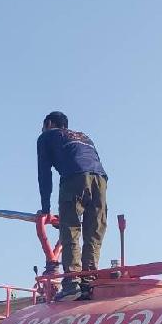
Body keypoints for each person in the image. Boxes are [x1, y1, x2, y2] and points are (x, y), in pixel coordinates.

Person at [36, 111, 109, 299]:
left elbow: (44, 175)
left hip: (74, 177)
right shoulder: (84, 137)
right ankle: (89, 281)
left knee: (70, 229)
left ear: (49, 124)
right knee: (94, 231)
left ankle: (72, 283)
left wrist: (45, 210)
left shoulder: (46, 137)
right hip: (100, 179)